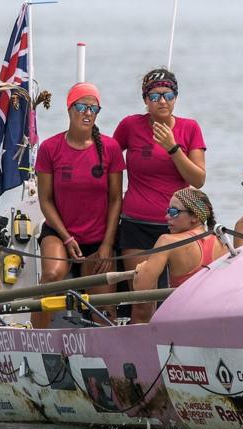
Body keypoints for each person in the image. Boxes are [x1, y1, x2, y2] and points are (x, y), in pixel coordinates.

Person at [32, 82, 124, 328]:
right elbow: (45, 200)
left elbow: (116, 198)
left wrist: (107, 244)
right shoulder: (51, 148)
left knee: (104, 307)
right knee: (52, 275)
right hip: (59, 232)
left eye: (93, 109)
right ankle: (37, 339)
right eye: (81, 107)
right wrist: (67, 238)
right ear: (69, 109)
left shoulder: (111, 148)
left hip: (97, 237)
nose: (87, 113)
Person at [113, 68, 207, 280]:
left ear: (176, 98)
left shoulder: (189, 128)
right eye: (154, 96)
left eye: (168, 95)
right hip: (137, 224)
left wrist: (172, 148)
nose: (162, 101)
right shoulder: (130, 125)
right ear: (145, 99)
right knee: (142, 299)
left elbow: (198, 180)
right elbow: (107, 159)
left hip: (179, 225)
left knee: (178, 293)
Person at [132, 187, 225, 324]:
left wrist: (140, 271)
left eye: (174, 212)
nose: (167, 217)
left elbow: (141, 288)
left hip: (181, 319)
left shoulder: (167, 241)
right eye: (168, 211)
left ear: (194, 216)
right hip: (213, 316)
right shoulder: (222, 242)